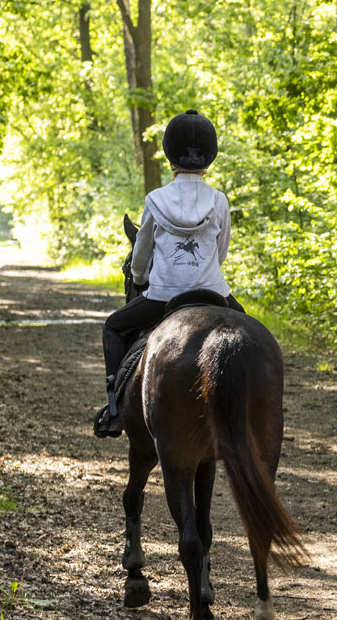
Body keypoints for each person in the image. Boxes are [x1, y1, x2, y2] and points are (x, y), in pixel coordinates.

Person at [94, 110, 244, 437]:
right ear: (209, 157)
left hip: (162, 296)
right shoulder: (218, 200)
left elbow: (142, 252)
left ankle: (115, 409)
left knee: (113, 327)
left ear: (170, 156)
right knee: (249, 332)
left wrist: (136, 278)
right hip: (214, 292)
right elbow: (221, 251)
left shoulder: (155, 200)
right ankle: (245, 411)